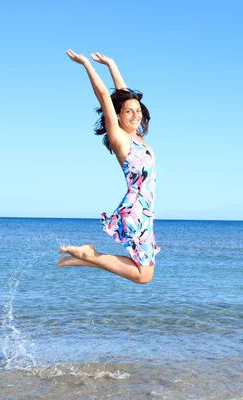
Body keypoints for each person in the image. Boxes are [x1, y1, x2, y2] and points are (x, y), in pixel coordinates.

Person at [57, 50, 160, 284]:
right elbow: (105, 96)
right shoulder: (120, 138)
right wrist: (86, 64)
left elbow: (123, 96)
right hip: (135, 208)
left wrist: (112, 65)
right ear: (117, 116)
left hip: (144, 211)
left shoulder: (137, 137)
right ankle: (89, 254)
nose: (135, 114)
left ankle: (87, 257)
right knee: (144, 276)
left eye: (138, 110)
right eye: (128, 112)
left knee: (145, 272)